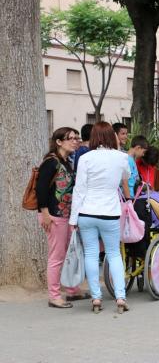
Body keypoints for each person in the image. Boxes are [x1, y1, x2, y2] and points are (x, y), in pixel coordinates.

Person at [70, 121, 131, 314]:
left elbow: (79, 190)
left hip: (87, 212)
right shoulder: (121, 157)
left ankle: (96, 297)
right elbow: (126, 176)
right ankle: (120, 297)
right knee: (114, 254)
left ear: (94, 136)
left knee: (91, 254)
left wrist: (73, 219)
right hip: (110, 212)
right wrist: (119, 149)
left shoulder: (86, 158)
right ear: (112, 136)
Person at [35, 127, 89, 309]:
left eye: (76, 138)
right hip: (53, 216)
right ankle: (54, 296)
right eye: (70, 138)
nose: (75, 141)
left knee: (69, 253)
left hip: (66, 216)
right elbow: (40, 189)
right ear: (59, 142)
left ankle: (72, 290)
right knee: (57, 257)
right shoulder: (50, 162)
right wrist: (45, 214)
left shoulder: (66, 161)